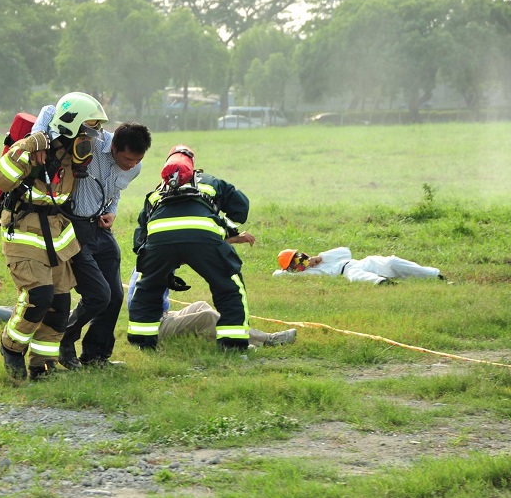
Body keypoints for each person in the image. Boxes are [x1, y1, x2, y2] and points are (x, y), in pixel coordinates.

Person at [0, 92, 107, 380]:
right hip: (25, 230)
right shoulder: (34, 147)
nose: (92, 136)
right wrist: (29, 144)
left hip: (57, 234)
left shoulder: (75, 154)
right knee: (37, 297)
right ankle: (11, 348)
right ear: (71, 123)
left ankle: (42, 364)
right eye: (88, 128)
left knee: (59, 304)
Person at [31, 107, 152, 369]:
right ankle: (65, 340)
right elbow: (50, 110)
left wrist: (111, 211)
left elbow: (116, 191)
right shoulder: (92, 142)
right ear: (115, 146)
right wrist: (39, 138)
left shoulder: (134, 168)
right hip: (74, 228)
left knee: (115, 296)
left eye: (137, 160)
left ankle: (96, 356)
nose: (131, 165)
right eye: (128, 158)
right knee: (98, 295)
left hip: (101, 229)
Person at [127, 145, 253, 351]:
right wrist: (225, 223)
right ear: (193, 166)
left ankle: (144, 342)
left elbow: (140, 234)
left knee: (148, 288)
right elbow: (240, 209)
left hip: (159, 240)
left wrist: (157, 265)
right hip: (202, 237)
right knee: (228, 286)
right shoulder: (211, 182)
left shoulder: (155, 194)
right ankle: (233, 345)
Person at [126, 269, 297, 346]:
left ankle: (233, 341)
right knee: (207, 316)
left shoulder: (154, 263)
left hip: (163, 315)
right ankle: (267, 339)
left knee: (201, 305)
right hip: (154, 327)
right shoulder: (154, 269)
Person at [273, 247, 446, 285]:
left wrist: (321, 257)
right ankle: (383, 283)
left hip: (361, 262)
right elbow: (277, 275)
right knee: (356, 277)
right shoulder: (303, 275)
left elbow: (346, 252)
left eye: (300, 257)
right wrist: (289, 271)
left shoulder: (322, 258)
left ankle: (434, 275)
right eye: (295, 263)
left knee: (392, 261)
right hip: (348, 271)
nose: (301, 262)